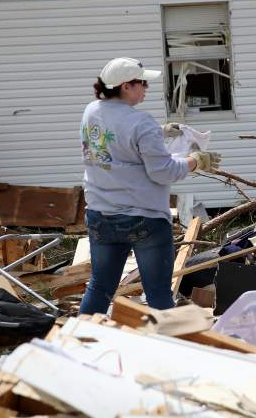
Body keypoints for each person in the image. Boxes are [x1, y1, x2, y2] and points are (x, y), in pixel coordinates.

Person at [79, 57, 221, 314]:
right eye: (142, 83)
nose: (146, 88)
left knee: (100, 288)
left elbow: (119, 140)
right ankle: (167, 350)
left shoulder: (91, 112)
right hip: (142, 218)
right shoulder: (140, 122)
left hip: (101, 215)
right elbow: (163, 173)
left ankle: (79, 344)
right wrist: (195, 161)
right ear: (125, 86)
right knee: (157, 293)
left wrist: (161, 131)